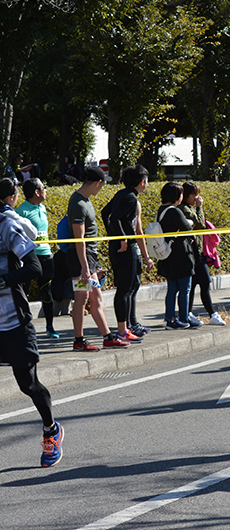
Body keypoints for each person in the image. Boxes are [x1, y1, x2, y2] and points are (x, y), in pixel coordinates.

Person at [0, 205, 65, 467]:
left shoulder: (5, 224)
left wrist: (3, 280)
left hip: (13, 319)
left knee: (28, 384)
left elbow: (34, 267)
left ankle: (51, 431)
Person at [67, 167, 130, 351]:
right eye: (103, 184)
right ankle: (79, 341)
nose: (102, 187)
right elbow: (79, 239)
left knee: (96, 297)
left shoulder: (84, 201)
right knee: (82, 298)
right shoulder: (78, 203)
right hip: (80, 258)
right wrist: (85, 267)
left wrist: (92, 265)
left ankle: (108, 337)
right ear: (98, 183)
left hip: (88, 258)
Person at [105, 165, 156, 344]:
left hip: (119, 247)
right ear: (142, 182)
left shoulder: (122, 194)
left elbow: (106, 213)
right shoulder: (130, 198)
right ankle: (122, 331)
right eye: (147, 181)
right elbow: (116, 217)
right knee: (125, 290)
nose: (147, 184)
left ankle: (126, 327)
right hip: (125, 250)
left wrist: (115, 237)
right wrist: (122, 238)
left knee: (128, 288)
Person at [16, 178, 59, 338]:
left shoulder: (42, 208)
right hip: (29, 257)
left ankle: (50, 327)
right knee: (23, 293)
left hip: (46, 256)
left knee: (47, 293)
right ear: (36, 192)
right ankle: (23, 328)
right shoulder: (21, 211)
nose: (45, 190)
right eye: (44, 187)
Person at [180, 182, 226, 325]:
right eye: (194, 195)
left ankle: (210, 313)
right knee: (193, 284)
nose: (197, 198)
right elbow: (199, 223)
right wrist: (200, 207)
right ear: (186, 195)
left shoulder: (189, 208)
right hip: (190, 252)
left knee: (204, 282)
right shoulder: (184, 209)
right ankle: (189, 313)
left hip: (198, 252)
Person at [156, 182, 198, 330]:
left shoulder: (161, 210)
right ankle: (184, 318)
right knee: (185, 289)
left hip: (168, 254)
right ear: (176, 196)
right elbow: (187, 227)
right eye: (180, 194)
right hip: (180, 254)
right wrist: (190, 221)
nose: (181, 197)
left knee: (172, 289)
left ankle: (170, 318)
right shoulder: (174, 211)